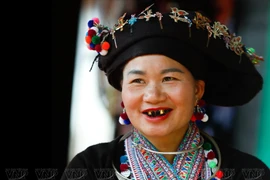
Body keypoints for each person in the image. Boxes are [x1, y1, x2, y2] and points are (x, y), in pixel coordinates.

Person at [60, 4, 270, 180]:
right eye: (137, 81)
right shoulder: (89, 169)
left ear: (198, 90)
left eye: (169, 79)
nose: (152, 95)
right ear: (122, 92)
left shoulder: (248, 172)